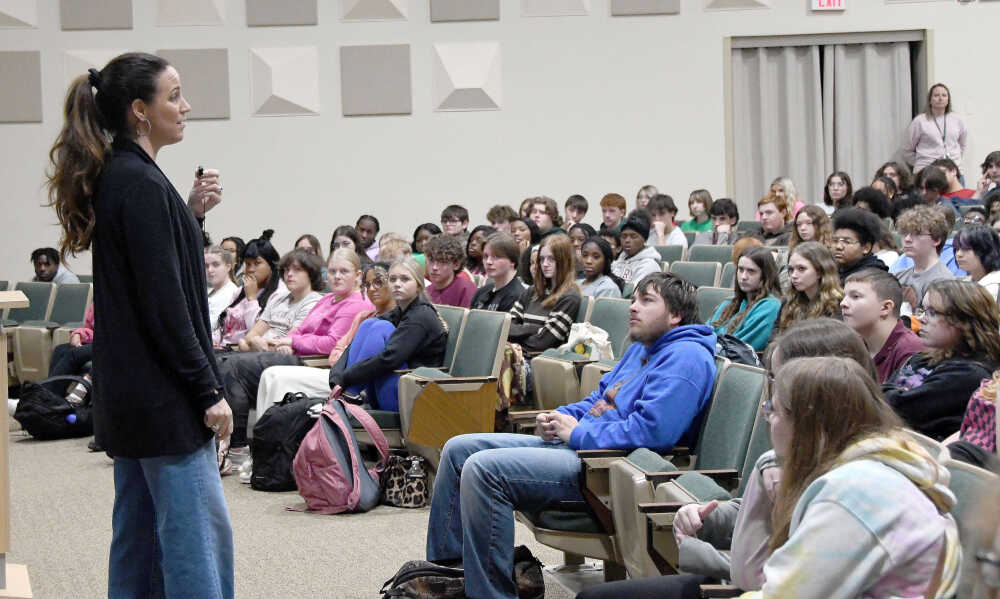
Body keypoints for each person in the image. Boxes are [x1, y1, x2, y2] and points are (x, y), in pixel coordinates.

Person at [47, 52, 233, 597]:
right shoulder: (142, 184)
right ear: (139, 111)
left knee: (140, 534)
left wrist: (192, 214)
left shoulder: (127, 176)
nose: (186, 105)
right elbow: (165, 304)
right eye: (173, 95)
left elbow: (156, 271)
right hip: (163, 398)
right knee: (196, 537)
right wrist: (207, 389)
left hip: (132, 394)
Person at [425, 272, 717, 599]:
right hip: (586, 447)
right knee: (457, 449)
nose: (633, 307)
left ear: (675, 314)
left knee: (483, 469)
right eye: (633, 298)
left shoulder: (688, 358)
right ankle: (449, 577)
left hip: (609, 469)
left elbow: (652, 433)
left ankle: (490, 594)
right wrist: (564, 416)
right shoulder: (642, 345)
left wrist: (578, 433)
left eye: (646, 301)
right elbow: (600, 399)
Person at [577, 318, 879, 599]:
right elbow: (754, 511)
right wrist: (704, 516)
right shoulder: (794, 447)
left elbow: (772, 577)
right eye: (770, 379)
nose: (767, 401)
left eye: (778, 383)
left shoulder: (852, 481)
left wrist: (696, 552)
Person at [738, 356, 961, 598]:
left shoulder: (856, 492)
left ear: (809, 426)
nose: (769, 419)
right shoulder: (871, 471)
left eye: (774, 410)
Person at [218, 248, 373, 476]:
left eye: (344, 271)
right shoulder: (328, 299)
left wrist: (293, 341)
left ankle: (256, 450)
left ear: (358, 276)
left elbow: (330, 343)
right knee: (223, 360)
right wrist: (290, 340)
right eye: (332, 271)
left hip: (318, 365)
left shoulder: (355, 304)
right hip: (297, 354)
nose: (337, 276)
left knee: (242, 368)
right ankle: (263, 452)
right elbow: (300, 329)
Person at [252, 261, 397, 435]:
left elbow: (349, 352)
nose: (372, 289)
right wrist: (343, 356)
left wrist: (345, 357)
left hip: (354, 382)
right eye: (368, 284)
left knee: (279, 380)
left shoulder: (388, 322)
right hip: (337, 371)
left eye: (378, 282)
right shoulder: (364, 316)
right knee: (270, 374)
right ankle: (263, 445)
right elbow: (336, 351)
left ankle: (276, 446)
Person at [883, 279, 1000, 441]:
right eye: (923, 309)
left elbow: (898, 407)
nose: (922, 319)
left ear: (963, 320)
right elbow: (883, 395)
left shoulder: (971, 374)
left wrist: (887, 394)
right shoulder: (923, 357)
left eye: (932, 312)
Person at [329, 257, 449, 412]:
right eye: (393, 279)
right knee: (369, 324)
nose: (397, 284)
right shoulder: (401, 310)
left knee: (381, 328)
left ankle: (350, 395)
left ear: (419, 284)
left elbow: (390, 358)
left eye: (405, 279)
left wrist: (347, 377)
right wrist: (339, 375)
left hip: (416, 394)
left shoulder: (421, 316)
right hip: (394, 387)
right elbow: (354, 344)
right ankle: (348, 394)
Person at [841, 269, 924, 383]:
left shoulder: (911, 351)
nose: (843, 303)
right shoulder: (852, 346)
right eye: (844, 296)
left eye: (855, 296)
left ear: (885, 308)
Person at [235, 249, 322, 353]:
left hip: (285, 358)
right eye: (286, 270)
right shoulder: (278, 299)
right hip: (262, 351)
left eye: (297, 269)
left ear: (311, 274)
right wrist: (254, 342)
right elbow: (253, 333)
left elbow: (291, 341)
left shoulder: (314, 303)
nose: (289, 274)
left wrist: (258, 342)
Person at [508, 234, 583, 354]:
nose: (545, 264)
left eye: (551, 259)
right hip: (515, 354)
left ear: (564, 261)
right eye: (542, 259)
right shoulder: (532, 291)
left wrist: (515, 341)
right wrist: (533, 329)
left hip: (537, 361)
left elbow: (542, 343)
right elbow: (506, 327)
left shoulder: (570, 298)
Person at [215, 231, 283, 349]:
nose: (251, 269)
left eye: (257, 263)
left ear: (271, 266)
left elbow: (256, 333)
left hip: (246, 352)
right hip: (224, 349)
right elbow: (225, 325)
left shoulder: (279, 294)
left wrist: (252, 299)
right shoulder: (241, 291)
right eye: (248, 264)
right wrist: (213, 340)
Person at [708, 246, 780, 351]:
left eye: (751, 271)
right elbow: (706, 331)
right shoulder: (730, 303)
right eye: (741, 270)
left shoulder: (771, 306)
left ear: (765, 275)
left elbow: (739, 347)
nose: (743, 277)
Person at [894, 205, 956, 314]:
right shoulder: (899, 276)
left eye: (917, 233)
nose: (907, 239)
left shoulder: (944, 282)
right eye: (904, 233)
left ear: (936, 240)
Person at [902, 82, 968, 173]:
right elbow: (907, 150)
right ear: (930, 100)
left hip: (953, 171)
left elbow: (962, 145)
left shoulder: (957, 120)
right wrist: (922, 163)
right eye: (936, 95)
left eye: (944, 95)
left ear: (948, 100)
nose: (940, 98)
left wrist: (954, 159)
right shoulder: (920, 121)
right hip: (926, 172)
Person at [778, 241, 843, 331]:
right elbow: (775, 335)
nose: (794, 275)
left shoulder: (837, 305)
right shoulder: (788, 301)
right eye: (791, 269)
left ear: (819, 271)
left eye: (801, 269)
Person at [830, 207, 889, 284]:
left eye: (847, 242)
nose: (838, 246)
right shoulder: (834, 270)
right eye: (835, 241)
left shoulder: (873, 276)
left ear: (866, 248)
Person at [470, 233, 526, 312]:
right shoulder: (481, 292)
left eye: (496, 257)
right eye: (485, 256)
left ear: (512, 261)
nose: (488, 262)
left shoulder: (518, 297)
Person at [425, 234, 477, 308]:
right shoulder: (426, 292)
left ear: (456, 264)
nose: (434, 267)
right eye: (431, 260)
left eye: (442, 262)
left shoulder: (466, 288)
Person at [611, 215, 662, 286]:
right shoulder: (619, 260)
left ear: (645, 239)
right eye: (624, 236)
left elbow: (634, 293)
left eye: (633, 236)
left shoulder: (649, 265)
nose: (627, 240)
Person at [954, 224, 1000, 301]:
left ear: (986, 250)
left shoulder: (994, 286)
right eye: (957, 249)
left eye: (966, 249)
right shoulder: (964, 282)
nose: (958, 254)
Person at [205, 245, 239, 329]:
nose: (210, 270)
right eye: (206, 266)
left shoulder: (231, 293)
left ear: (228, 267)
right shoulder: (210, 291)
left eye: (215, 264)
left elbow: (210, 327)